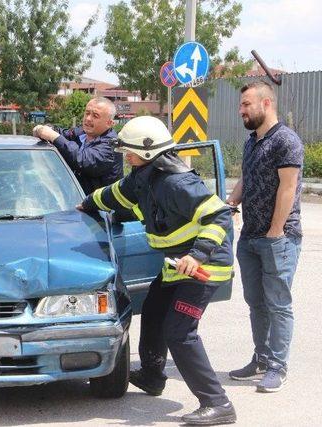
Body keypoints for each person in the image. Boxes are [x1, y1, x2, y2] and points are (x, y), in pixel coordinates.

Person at [77, 116, 236, 425]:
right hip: (177, 265)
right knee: (153, 309)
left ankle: (217, 403)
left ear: (146, 153)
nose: (125, 157)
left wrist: (198, 254)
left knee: (180, 332)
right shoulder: (142, 177)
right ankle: (152, 375)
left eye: (128, 152)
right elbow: (112, 195)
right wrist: (84, 205)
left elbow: (219, 217)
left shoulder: (178, 182)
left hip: (205, 266)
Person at [226, 81, 304, 393]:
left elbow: (288, 188)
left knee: (278, 304)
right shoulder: (252, 142)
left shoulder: (286, 140)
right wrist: (230, 204)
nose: (241, 110)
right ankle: (260, 357)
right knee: (255, 302)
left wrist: (275, 231)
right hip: (250, 237)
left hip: (279, 239)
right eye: (241, 105)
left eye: (246, 104)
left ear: (266, 103)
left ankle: (277, 366)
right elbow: (246, 178)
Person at [32, 97, 123, 194]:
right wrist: (47, 128)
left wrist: (52, 135)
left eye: (95, 116)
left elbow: (83, 160)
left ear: (109, 123)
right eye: (87, 113)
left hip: (101, 207)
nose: (88, 119)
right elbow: (63, 133)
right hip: (75, 200)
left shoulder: (112, 144)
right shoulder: (82, 132)